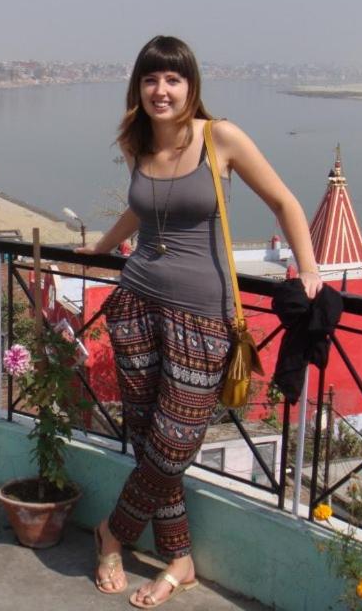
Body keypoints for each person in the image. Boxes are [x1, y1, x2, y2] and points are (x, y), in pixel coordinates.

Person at [76, 35, 322, 608]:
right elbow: (143, 207)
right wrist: (101, 249)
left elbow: (285, 202)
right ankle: (180, 560)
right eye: (151, 79)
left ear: (192, 86)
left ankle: (112, 532)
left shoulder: (221, 138)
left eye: (173, 79)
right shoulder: (138, 145)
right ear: (138, 87)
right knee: (147, 438)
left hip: (203, 317)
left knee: (173, 442)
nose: (162, 91)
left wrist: (308, 270)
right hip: (136, 303)